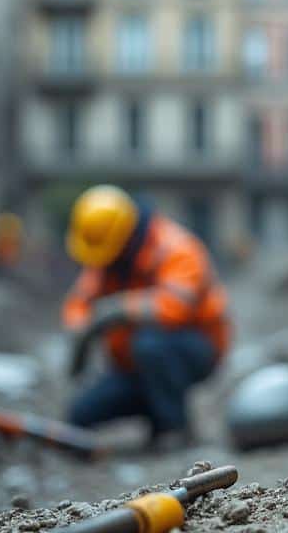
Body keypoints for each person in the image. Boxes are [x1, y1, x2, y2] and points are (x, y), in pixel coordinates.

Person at [61, 185, 230, 448]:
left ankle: (175, 427)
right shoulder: (110, 261)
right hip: (133, 366)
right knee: (79, 414)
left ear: (125, 236)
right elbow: (78, 303)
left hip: (194, 348)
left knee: (150, 345)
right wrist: (82, 330)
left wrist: (118, 310)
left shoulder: (176, 248)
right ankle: (156, 406)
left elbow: (175, 308)